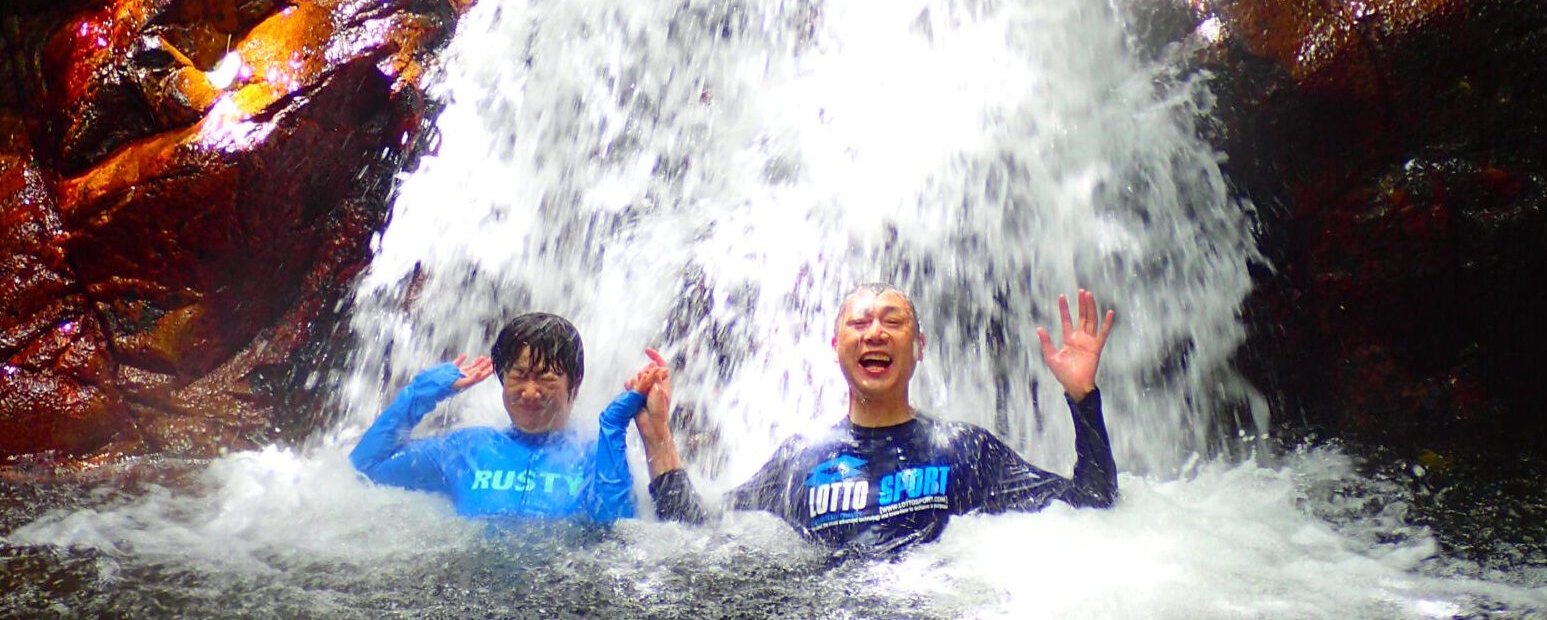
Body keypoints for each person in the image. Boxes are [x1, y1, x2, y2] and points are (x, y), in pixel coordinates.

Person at [630, 284, 1118, 554]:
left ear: (919, 347)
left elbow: (1091, 502)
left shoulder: (964, 449)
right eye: (859, 323)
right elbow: (696, 531)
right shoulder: (801, 460)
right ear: (836, 346)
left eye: (893, 321)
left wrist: (1082, 397)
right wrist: (658, 439)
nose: (875, 334)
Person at [350, 311, 662, 520]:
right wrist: (420, 394)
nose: (529, 391)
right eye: (518, 375)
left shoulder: (593, 454)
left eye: (545, 377)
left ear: (574, 385)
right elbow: (364, 468)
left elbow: (616, 530)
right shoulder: (467, 449)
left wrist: (613, 427)